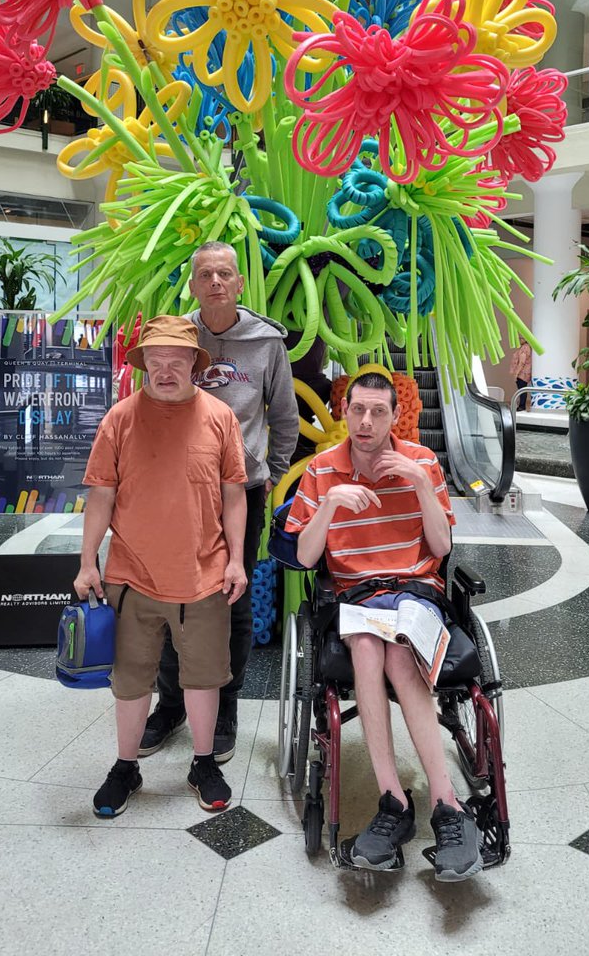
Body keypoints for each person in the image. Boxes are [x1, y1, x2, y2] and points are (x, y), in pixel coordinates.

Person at [285, 371, 483, 882]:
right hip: (355, 596)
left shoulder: (423, 462)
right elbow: (306, 558)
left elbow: (440, 549)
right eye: (357, 411)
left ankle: (447, 804)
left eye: (378, 412)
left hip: (417, 590)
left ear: (396, 416)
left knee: (397, 652)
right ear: (344, 412)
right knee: (369, 648)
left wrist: (420, 485)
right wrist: (329, 506)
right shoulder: (323, 470)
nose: (366, 422)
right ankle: (393, 800)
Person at [74, 315, 248, 819]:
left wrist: (236, 560)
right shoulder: (120, 419)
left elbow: (233, 495)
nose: (166, 370)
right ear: (143, 363)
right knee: (130, 681)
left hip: (204, 575)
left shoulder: (220, 417)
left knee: (204, 678)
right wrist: (89, 562)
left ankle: (202, 762)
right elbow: (101, 495)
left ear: (195, 364)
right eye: (157, 360)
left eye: (177, 360)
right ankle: (125, 766)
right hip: (131, 577)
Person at [140, 241, 299, 763]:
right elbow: (150, 405)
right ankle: (171, 704)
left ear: (238, 283)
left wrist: (269, 475)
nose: (214, 282)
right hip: (177, 493)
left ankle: (226, 703)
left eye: (224, 273)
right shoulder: (176, 335)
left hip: (242, 494)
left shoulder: (266, 340)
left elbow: (284, 419)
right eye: (205, 274)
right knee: (168, 595)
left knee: (232, 596)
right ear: (192, 284)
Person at [509, 340, 532, 411]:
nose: (518, 340)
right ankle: (521, 405)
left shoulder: (525, 348)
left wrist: (516, 373)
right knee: (521, 389)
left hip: (523, 373)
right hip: (523, 372)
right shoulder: (524, 347)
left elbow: (522, 362)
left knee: (522, 389)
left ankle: (522, 406)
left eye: (520, 338)